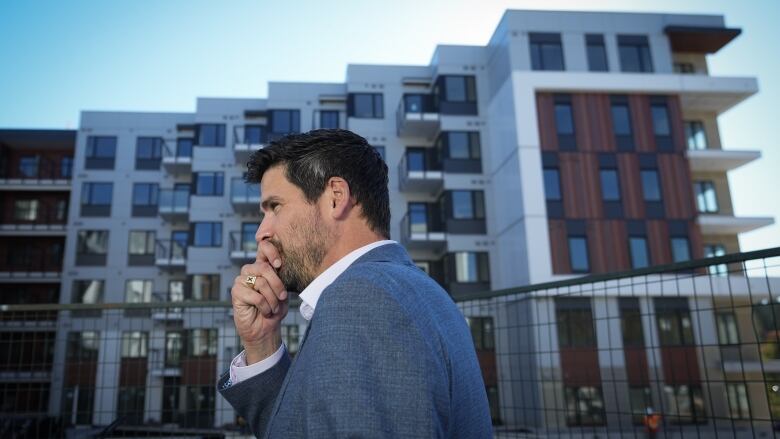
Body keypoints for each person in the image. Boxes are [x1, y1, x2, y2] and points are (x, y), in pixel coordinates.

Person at [217, 129, 492, 438]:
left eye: (275, 206)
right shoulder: (406, 289)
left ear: (336, 197)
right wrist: (261, 344)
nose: (261, 233)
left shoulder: (363, 299)